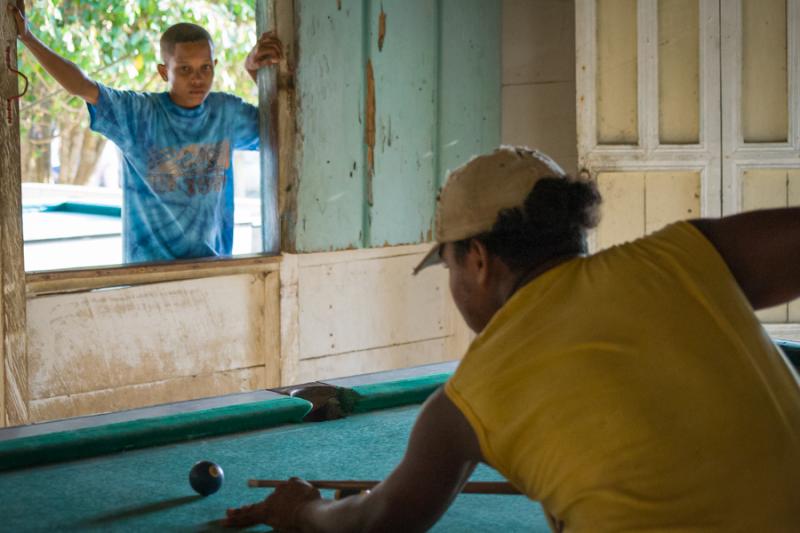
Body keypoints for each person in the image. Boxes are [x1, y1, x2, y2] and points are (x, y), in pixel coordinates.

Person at [224, 146, 800, 532]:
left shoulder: (465, 403)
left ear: (476, 259)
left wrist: (305, 511)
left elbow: (377, 521)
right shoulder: (681, 258)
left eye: (448, 266)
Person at [9, 2, 282, 262]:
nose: (197, 78)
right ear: (164, 72)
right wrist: (28, 38)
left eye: (205, 68)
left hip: (213, 270)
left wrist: (253, 70)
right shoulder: (138, 114)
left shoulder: (226, 112)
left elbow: (278, 130)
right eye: (185, 69)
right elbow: (81, 85)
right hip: (148, 275)